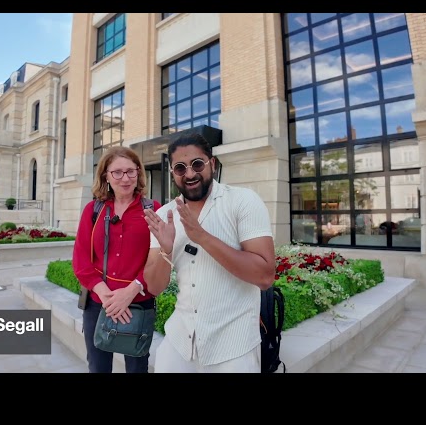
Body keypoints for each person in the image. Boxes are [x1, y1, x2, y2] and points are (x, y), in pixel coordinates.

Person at [143, 132, 276, 373]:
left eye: (197, 164)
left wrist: (202, 236)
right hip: (179, 343)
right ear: (172, 173)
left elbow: (265, 276)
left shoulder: (242, 201)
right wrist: (165, 249)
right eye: (180, 168)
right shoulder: (165, 216)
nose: (190, 174)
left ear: (212, 164)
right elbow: (154, 287)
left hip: (234, 347)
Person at [72, 146, 161, 373]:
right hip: (98, 305)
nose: (125, 178)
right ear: (106, 176)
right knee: (98, 368)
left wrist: (130, 292)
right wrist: (106, 296)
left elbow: (160, 259)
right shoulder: (94, 210)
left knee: (137, 369)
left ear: (138, 173)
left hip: (139, 305)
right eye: (117, 172)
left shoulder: (153, 210)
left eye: (131, 171)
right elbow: (81, 260)